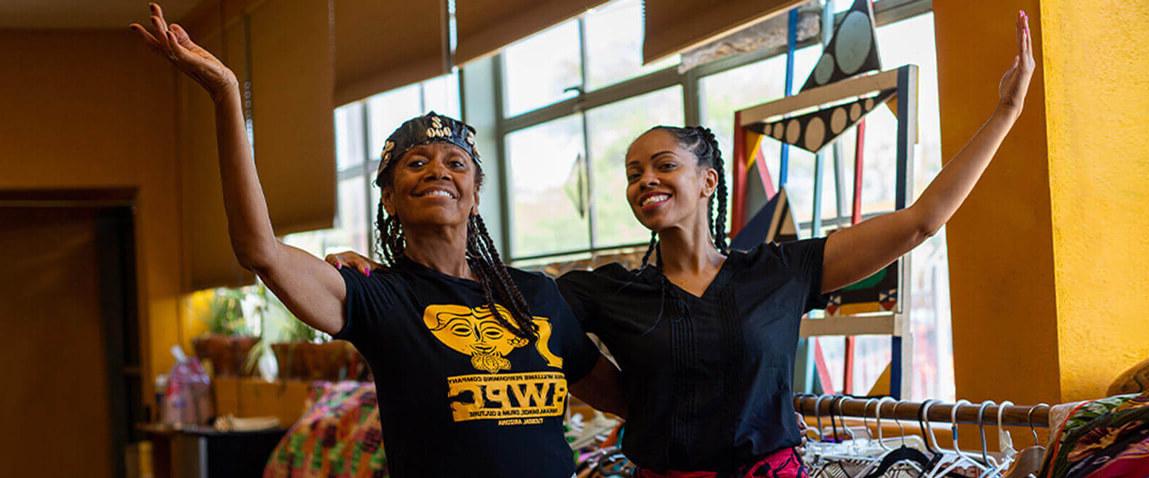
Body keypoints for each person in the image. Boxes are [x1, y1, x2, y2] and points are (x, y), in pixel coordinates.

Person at [331, 9, 1036, 477]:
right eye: (633, 173)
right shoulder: (595, 291)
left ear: (707, 181)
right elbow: (482, 294)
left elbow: (920, 222)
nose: (645, 181)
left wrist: (1004, 112)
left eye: (663, 166)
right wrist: (369, 273)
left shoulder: (782, 271)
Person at [131, 4, 620, 477]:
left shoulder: (535, 295)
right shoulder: (379, 295)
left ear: (475, 195)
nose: (437, 171)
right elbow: (260, 250)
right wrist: (227, 96)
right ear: (389, 198)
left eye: (455, 162)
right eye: (416, 162)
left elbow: (627, 401)